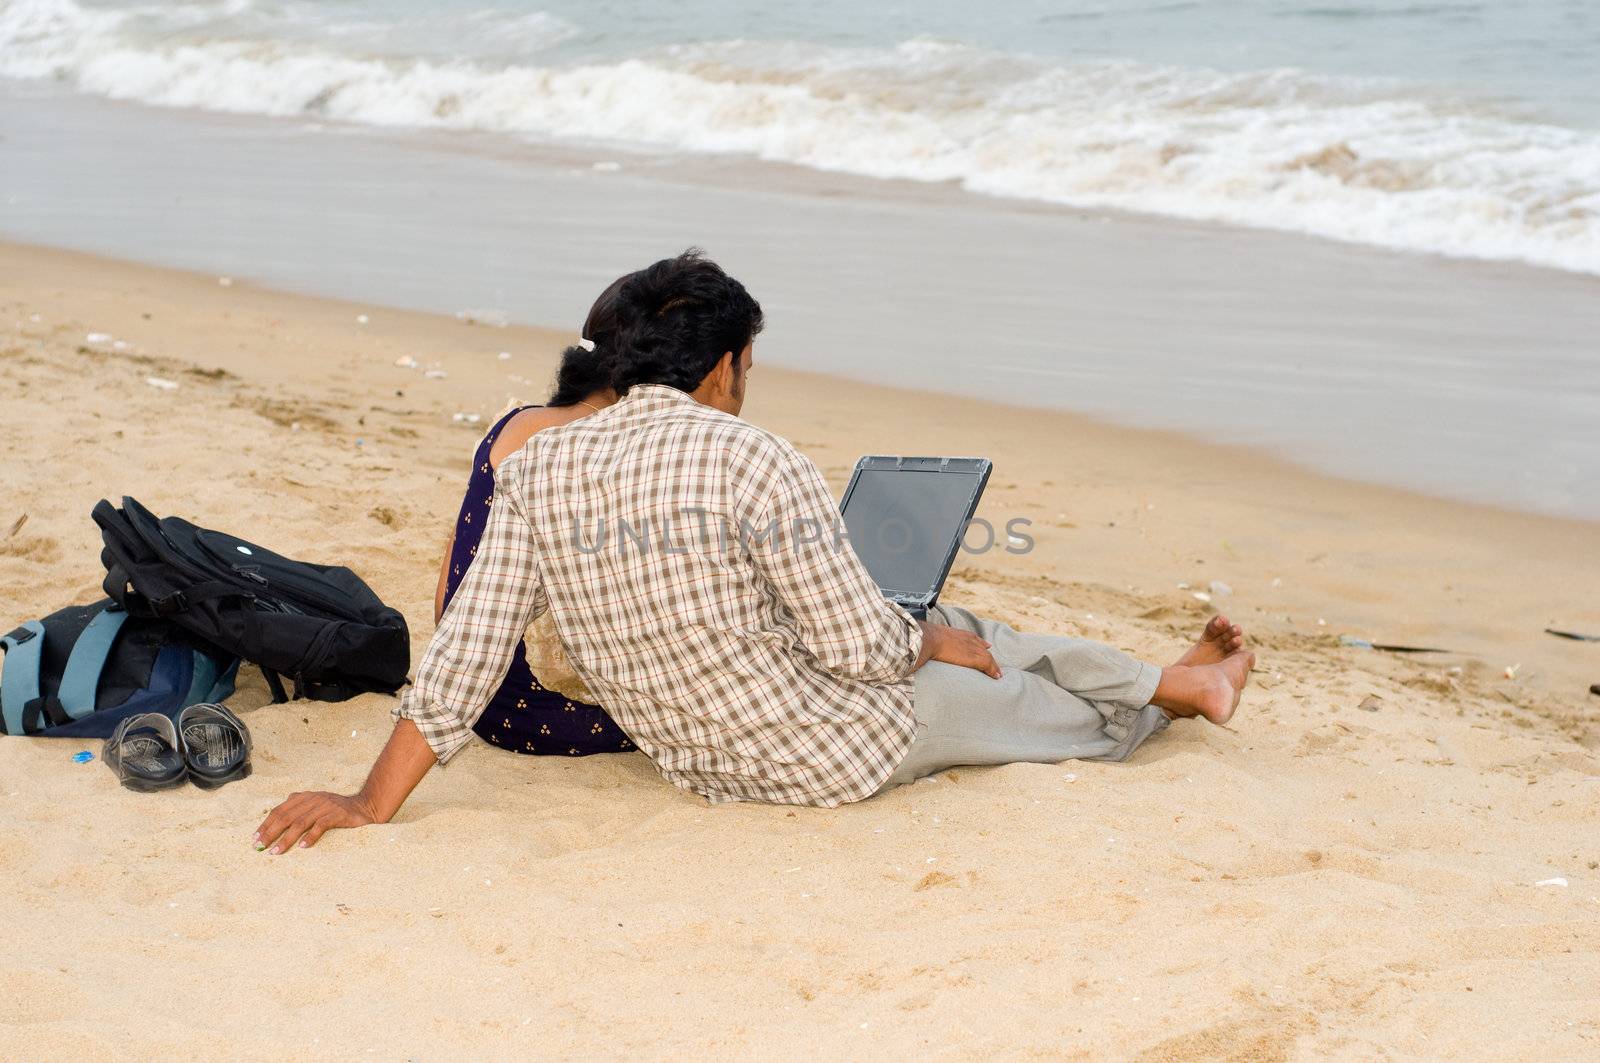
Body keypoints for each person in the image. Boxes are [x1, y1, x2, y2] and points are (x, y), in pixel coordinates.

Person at [255, 251, 1252, 853]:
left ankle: (1174, 678)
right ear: (727, 366)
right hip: (834, 749)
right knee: (1025, 697)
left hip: (703, 763)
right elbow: (862, 649)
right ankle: (1165, 699)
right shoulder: (752, 454)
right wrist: (921, 646)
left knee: (965, 627)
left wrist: (366, 799)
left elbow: (464, 652)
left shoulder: (543, 468)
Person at [431, 278, 633, 758]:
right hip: (534, 706)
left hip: (473, 689)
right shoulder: (599, 444)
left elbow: (450, 584)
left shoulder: (518, 420)